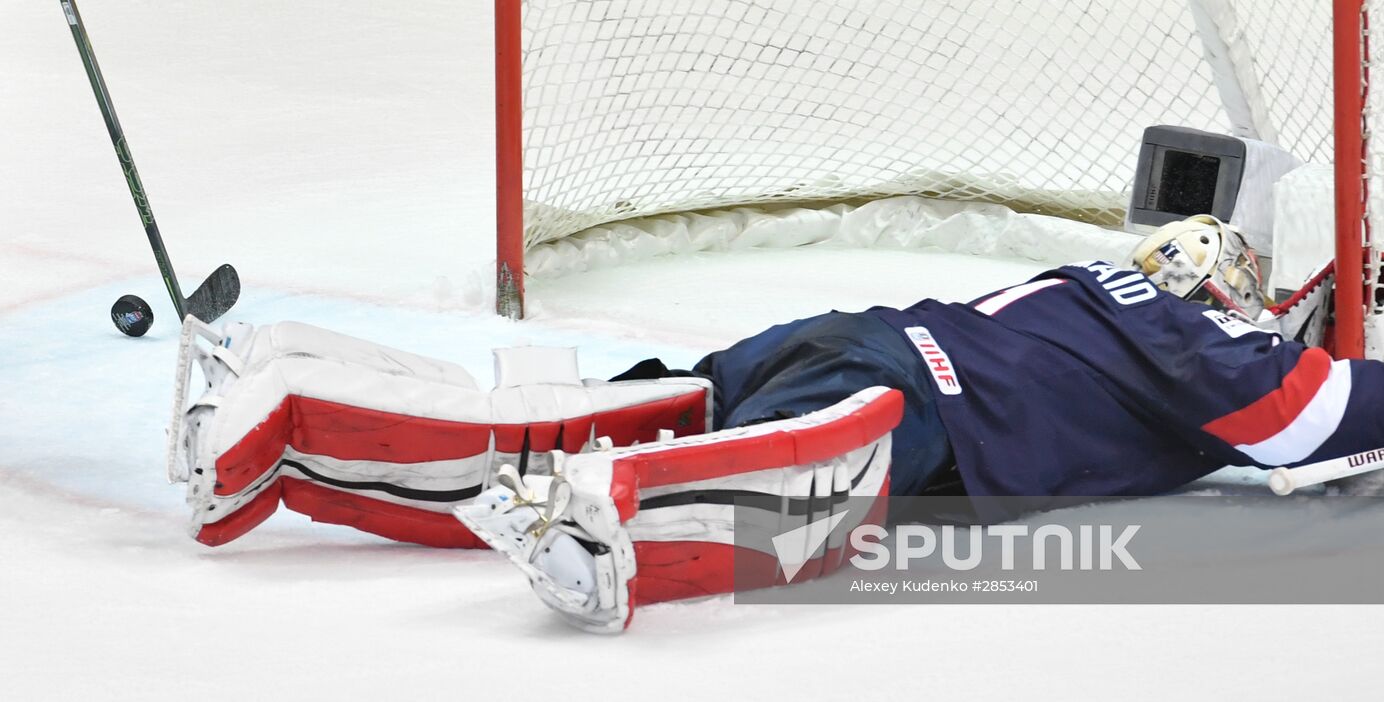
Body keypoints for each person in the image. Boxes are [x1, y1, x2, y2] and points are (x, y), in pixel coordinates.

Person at [169, 214, 1369, 633]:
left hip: (825, 337)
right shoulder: (1183, 335)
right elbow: (1297, 425)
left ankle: (266, 406)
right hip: (914, 402)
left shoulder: (1079, 284)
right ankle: (619, 525)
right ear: (1217, 293)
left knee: (562, 414)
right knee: (800, 479)